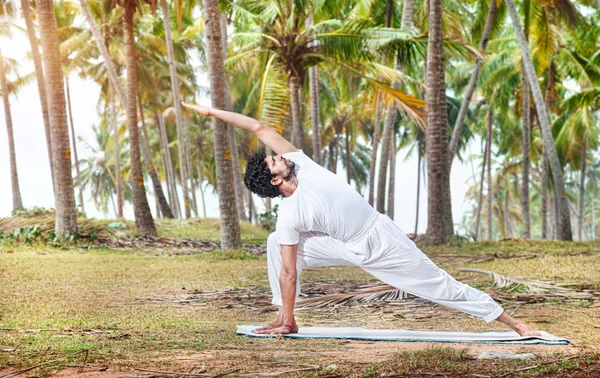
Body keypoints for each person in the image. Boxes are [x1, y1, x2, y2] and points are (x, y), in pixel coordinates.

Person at [182, 102, 541, 337]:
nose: (278, 156)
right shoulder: (288, 216)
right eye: (274, 162)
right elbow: (289, 271)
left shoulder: (301, 163)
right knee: (277, 244)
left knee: (439, 285)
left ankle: (514, 324)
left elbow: (259, 127)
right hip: (346, 246)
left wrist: (211, 112)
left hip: (380, 240)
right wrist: (288, 309)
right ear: (275, 180)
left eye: (276, 157)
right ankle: (285, 318)